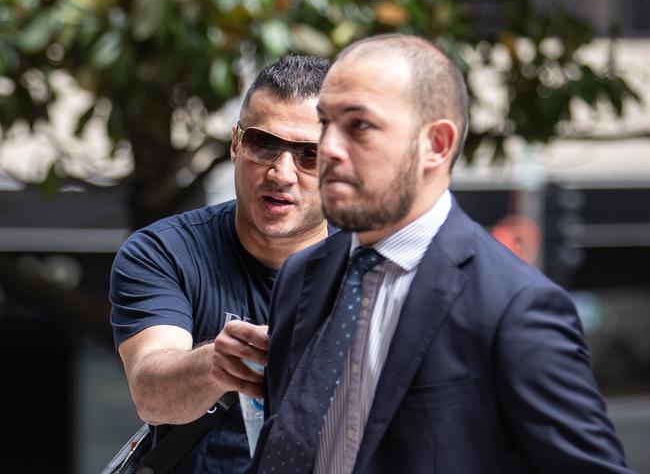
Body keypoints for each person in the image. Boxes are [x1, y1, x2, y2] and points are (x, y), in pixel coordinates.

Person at [249, 35, 633, 473]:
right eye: (325, 123)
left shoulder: (514, 307)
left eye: (358, 126)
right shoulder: (302, 274)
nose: (329, 148)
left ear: (436, 145)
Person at [109, 54, 332, 473]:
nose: (282, 174)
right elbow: (150, 392)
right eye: (263, 144)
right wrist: (222, 360)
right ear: (235, 144)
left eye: (309, 155)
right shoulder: (163, 251)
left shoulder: (376, 265)